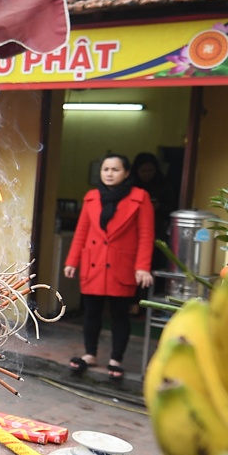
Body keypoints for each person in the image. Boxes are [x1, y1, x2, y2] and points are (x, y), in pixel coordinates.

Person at [63, 153, 156, 382]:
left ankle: (116, 360)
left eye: (115, 169)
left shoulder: (140, 197)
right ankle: (90, 354)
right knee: (91, 312)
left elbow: (146, 235)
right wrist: (72, 261)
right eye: (106, 169)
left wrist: (142, 267)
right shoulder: (92, 197)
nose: (109, 174)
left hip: (121, 264)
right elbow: (82, 232)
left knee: (119, 315)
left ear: (126, 173)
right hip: (93, 261)